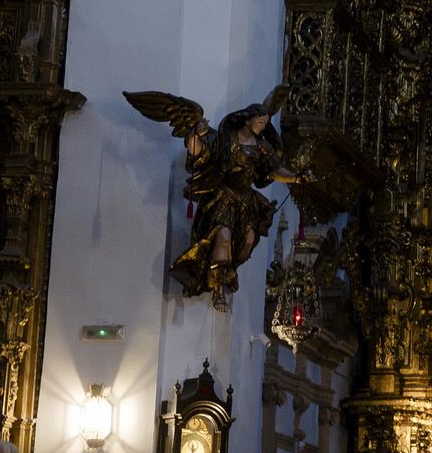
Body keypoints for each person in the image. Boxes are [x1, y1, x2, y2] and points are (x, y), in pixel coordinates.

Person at [124, 86, 310, 311]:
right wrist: (195, 135)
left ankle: (227, 269)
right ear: (248, 120)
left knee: (249, 241)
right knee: (223, 236)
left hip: (246, 202)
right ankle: (218, 289)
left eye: (265, 123)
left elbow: (274, 171)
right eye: (260, 122)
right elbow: (198, 152)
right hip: (223, 198)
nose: (263, 127)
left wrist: (296, 179)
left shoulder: (262, 147)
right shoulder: (225, 139)